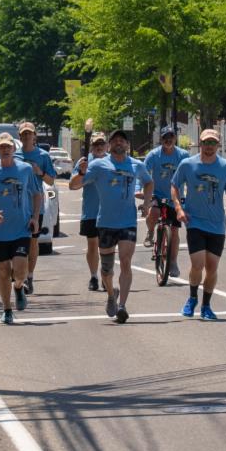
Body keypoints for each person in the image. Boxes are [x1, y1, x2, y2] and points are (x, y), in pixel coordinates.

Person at [81, 129, 153, 324]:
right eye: (115, 140)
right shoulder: (98, 165)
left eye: (122, 140)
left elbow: (148, 183)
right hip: (105, 222)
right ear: (109, 145)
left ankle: (122, 306)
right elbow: (75, 185)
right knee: (106, 270)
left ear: (127, 145)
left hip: (128, 221)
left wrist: (147, 203)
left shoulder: (136, 165)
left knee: (126, 261)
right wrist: (80, 172)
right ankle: (111, 295)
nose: (119, 143)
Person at [172, 129, 226, 321]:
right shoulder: (187, 164)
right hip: (194, 222)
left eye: (213, 143)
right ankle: (192, 297)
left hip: (217, 224)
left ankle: (206, 306)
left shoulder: (225, 166)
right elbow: (175, 185)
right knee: (198, 264)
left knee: (212, 267)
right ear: (200, 144)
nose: (209, 146)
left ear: (218, 145)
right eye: (206, 142)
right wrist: (179, 208)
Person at [0, 132, 42, 324]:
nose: (5, 149)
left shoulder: (25, 169)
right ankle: (7, 309)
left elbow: (37, 194)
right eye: (2, 147)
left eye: (8, 146)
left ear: (14, 149)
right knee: (4, 271)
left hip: (21, 227)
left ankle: (19, 286)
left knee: (20, 270)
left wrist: (35, 217)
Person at [13, 121, 55, 295]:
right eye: (23, 134)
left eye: (29, 133)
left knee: (32, 242)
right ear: (19, 137)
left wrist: (40, 172)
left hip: (35, 205)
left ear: (34, 136)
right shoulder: (14, 155)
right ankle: (19, 275)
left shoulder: (43, 156)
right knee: (16, 241)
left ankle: (29, 276)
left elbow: (51, 180)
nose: (26, 136)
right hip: (17, 205)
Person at [68, 131, 109, 292]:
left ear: (107, 145)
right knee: (92, 246)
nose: (99, 147)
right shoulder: (84, 162)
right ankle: (94, 276)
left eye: (102, 144)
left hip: (110, 212)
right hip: (91, 212)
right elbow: (72, 185)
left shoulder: (113, 160)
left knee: (107, 247)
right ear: (91, 146)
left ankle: (106, 276)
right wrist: (81, 173)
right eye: (96, 144)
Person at [143, 125, 184, 277]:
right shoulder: (153, 155)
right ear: (161, 139)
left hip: (175, 197)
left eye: (171, 137)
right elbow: (143, 173)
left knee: (174, 230)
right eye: (165, 137)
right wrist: (140, 191)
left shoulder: (183, 155)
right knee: (154, 212)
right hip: (157, 194)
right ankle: (150, 232)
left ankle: (173, 262)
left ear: (175, 138)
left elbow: (190, 173)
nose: (168, 140)